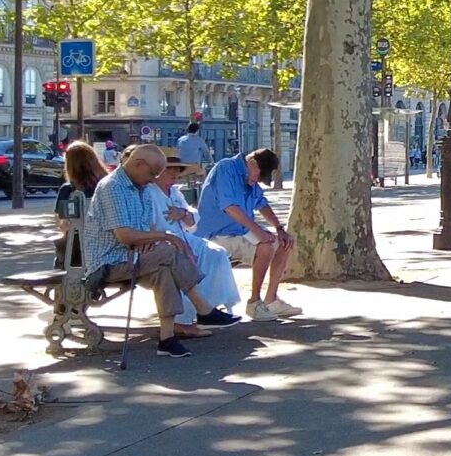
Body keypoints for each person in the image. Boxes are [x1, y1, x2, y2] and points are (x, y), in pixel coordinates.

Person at [80, 145, 230, 356]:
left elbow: (146, 228)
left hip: (135, 256)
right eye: (151, 174)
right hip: (108, 262)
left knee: (164, 269)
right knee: (170, 249)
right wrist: (165, 237)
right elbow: (125, 235)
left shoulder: (142, 189)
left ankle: (167, 339)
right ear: (138, 163)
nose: (153, 180)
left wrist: (152, 239)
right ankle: (204, 308)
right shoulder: (111, 187)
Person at [194, 146, 302, 321]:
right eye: (258, 177)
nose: (257, 182)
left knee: (283, 243)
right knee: (265, 246)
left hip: (239, 233)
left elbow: (262, 203)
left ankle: (271, 300)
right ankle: (254, 303)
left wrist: (279, 229)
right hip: (215, 235)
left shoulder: (250, 178)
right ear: (251, 164)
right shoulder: (225, 169)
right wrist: (259, 232)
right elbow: (230, 207)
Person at [148, 159, 242, 326]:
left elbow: (192, 223)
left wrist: (183, 213)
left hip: (186, 237)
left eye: (177, 169)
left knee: (216, 253)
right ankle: (183, 317)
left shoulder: (176, 193)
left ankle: (211, 307)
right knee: (183, 260)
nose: (174, 174)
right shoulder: (149, 193)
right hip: (162, 240)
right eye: (169, 169)